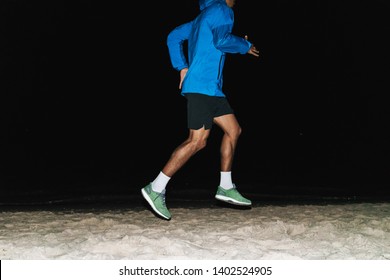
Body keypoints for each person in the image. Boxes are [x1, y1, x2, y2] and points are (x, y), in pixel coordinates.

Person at [141, 0, 260, 220]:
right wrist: (244, 46)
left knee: (234, 130)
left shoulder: (201, 18)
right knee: (197, 141)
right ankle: (156, 188)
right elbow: (222, 40)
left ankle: (225, 186)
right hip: (202, 87)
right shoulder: (224, 10)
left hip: (212, 90)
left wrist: (182, 67)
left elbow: (173, 36)